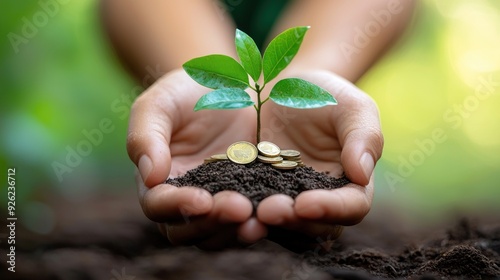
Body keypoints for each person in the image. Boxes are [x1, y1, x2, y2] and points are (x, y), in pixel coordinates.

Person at [101, 0, 415, 250]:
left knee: (352, 193)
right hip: (180, 42)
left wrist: (315, 68)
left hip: (320, 129)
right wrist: (191, 72)